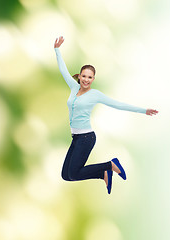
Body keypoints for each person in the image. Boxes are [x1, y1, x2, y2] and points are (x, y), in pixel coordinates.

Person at [54, 36, 158, 194]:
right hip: (76, 138)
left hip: (86, 138)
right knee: (66, 176)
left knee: (74, 173)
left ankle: (109, 165)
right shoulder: (74, 88)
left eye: (90, 77)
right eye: (84, 76)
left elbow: (118, 104)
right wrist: (57, 50)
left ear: (93, 79)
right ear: (80, 76)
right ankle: (103, 173)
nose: (86, 80)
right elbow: (63, 70)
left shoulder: (95, 94)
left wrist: (143, 110)